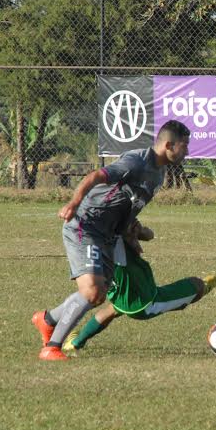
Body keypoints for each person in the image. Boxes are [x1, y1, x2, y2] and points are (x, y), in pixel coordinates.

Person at [31, 120, 191, 361]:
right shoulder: (137, 161)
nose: (187, 151)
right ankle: (52, 347)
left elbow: (128, 205)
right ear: (169, 145)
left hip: (108, 235)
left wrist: (132, 235)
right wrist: (74, 203)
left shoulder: (159, 173)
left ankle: (47, 320)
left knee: (99, 295)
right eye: (184, 145)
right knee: (92, 291)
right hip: (86, 224)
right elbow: (96, 176)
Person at [61, 219, 216, 353]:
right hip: (145, 302)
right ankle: (202, 289)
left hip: (121, 289)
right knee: (196, 285)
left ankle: (75, 343)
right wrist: (136, 230)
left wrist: (136, 231)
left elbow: (146, 235)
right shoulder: (119, 226)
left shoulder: (99, 228)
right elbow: (148, 235)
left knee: (112, 310)